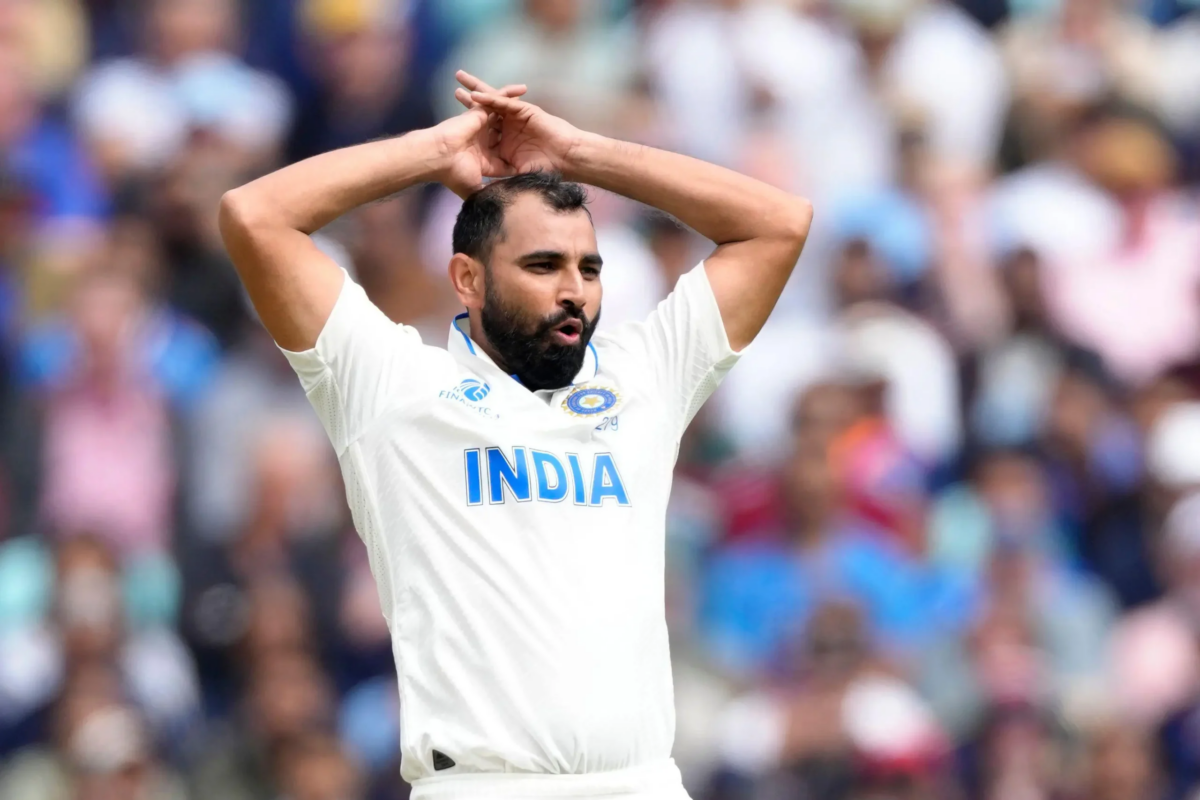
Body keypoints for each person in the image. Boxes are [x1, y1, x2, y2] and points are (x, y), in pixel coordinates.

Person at [217, 69, 813, 799]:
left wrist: (579, 152)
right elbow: (255, 216)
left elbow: (778, 224)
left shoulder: (641, 380)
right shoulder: (396, 388)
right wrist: (433, 152)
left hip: (641, 783)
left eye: (589, 268)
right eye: (542, 265)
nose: (574, 289)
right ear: (467, 278)